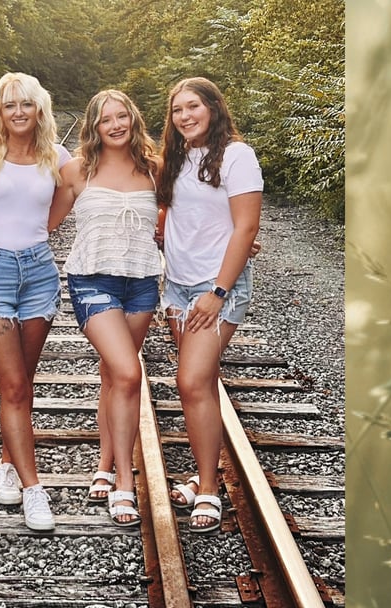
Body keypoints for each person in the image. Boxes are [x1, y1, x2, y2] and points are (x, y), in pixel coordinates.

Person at [48, 90, 163, 527]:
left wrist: (235, 242)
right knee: (130, 372)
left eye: (122, 117)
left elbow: (182, 221)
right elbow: (46, 222)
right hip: (92, 280)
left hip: (141, 283)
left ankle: (103, 462)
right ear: (94, 127)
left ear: (133, 119)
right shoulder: (77, 170)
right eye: (105, 119)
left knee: (115, 377)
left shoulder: (153, 169)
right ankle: (124, 483)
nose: (115, 125)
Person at [0, 72, 71, 531]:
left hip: (40, 275)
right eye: (10, 105)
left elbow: (72, 196)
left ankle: (6, 464)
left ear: (39, 108)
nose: (19, 112)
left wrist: (36, 236)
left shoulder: (58, 157)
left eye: (26, 104)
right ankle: (33, 488)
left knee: (22, 380)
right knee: (13, 384)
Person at [158, 77, 263, 533]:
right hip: (177, 285)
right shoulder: (177, 157)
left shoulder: (238, 156)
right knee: (195, 386)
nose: (185, 116)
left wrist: (218, 292)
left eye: (193, 107)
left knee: (192, 379)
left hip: (215, 287)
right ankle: (204, 474)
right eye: (177, 109)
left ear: (213, 108)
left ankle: (208, 489)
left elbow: (245, 228)